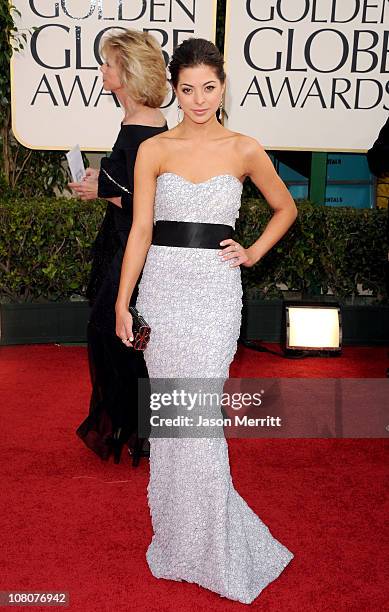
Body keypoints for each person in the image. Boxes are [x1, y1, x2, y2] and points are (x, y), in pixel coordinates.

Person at [115, 38, 297, 604]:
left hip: (215, 294)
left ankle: (213, 545)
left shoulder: (243, 148)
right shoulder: (155, 149)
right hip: (163, 292)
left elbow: (285, 207)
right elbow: (140, 229)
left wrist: (254, 252)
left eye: (209, 88)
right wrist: (123, 303)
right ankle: (177, 537)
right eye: (187, 89)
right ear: (175, 87)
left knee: (200, 418)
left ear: (223, 85)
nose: (198, 100)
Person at [69, 30, 168, 465]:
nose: (102, 70)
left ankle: (138, 427)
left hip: (134, 244)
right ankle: (133, 427)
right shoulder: (134, 119)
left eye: (108, 64)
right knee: (112, 332)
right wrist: (102, 183)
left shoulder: (147, 124)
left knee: (116, 333)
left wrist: (102, 191)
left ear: (125, 73)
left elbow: (152, 201)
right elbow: (130, 184)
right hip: (118, 239)